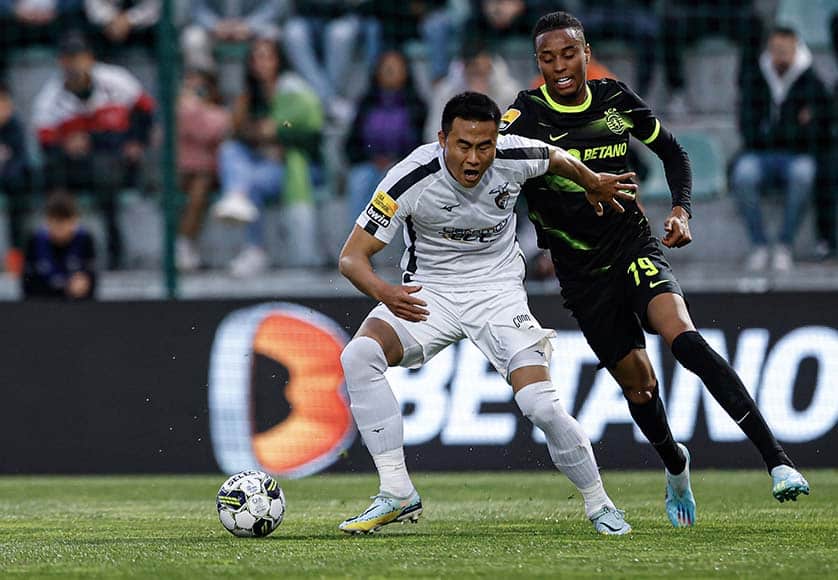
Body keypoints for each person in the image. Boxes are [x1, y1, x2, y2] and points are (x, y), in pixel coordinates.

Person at [500, 11, 810, 528]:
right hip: (581, 273)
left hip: (632, 244)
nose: (560, 66)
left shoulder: (615, 100)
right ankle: (675, 463)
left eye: (569, 54)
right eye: (548, 58)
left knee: (683, 339)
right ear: (538, 63)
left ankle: (777, 461)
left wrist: (682, 209)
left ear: (586, 52)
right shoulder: (525, 116)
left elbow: (672, 152)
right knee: (640, 387)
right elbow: (490, 167)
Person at [337, 91, 638, 535]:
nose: (474, 158)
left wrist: (591, 181)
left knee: (541, 405)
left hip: (498, 295)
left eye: (485, 146)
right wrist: (387, 292)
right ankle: (397, 491)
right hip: (431, 293)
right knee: (359, 356)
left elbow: (555, 157)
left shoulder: (514, 155)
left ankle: (600, 504)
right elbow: (351, 258)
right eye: (463, 145)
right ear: (443, 139)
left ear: (497, 140)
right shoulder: (410, 176)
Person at [32, 31, 155, 270]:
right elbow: (46, 145)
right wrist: (65, 145)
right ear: (61, 62)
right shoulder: (49, 99)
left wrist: (138, 141)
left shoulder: (116, 80)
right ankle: (57, 253)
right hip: (77, 166)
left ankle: (115, 249)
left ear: (90, 58)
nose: (75, 64)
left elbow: (146, 112)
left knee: (104, 171)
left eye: (79, 57)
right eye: (69, 58)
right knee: (52, 177)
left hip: (118, 160)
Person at [211, 37, 324, 276]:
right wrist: (254, 127)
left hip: (298, 165)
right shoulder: (251, 94)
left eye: (266, 57)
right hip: (263, 161)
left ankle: (255, 248)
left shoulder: (292, 88)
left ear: (278, 60)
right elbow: (240, 134)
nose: (260, 63)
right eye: (255, 58)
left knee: (251, 181)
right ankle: (236, 196)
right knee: (229, 151)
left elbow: (309, 131)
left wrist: (279, 135)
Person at [731, 26, 831, 272]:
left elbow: (819, 127)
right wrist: (793, 127)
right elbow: (747, 125)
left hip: (796, 156)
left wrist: (773, 132)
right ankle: (759, 245)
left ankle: (784, 244)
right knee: (743, 174)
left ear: (796, 49)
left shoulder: (810, 80)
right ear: (769, 49)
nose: (781, 56)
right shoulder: (757, 77)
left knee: (804, 174)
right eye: (776, 50)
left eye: (786, 50)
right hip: (759, 154)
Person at [345, 50, 426, 227]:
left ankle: (390, 235)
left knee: (393, 179)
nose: (390, 71)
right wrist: (372, 159)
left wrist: (397, 161)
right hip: (369, 163)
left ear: (406, 72)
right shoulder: (365, 103)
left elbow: (421, 144)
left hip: (402, 164)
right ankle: (358, 237)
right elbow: (351, 144)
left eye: (395, 67)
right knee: (359, 180)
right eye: (386, 67)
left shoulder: (417, 106)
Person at [176, 67, 230, 271]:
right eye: (188, 88)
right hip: (181, 171)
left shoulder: (220, 113)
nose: (193, 93)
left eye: (199, 89)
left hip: (208, 172)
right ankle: (178, 243)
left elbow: (208, 133)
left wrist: (193, 110)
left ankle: (183, 242)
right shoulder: (177, 109)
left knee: (200, 186)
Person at [22, 191, 96, 300]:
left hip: (76, 306)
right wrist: (62, 288)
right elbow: (26, 284)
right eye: (56, 222)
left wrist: (85, 283)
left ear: (75, 220)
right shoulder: (35, 240)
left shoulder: (85, 240)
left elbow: (93, 280)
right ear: (47, 221)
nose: (60, 228)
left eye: (65, 222)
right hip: (43, 305)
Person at [180, 0, 287, 72]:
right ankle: (206, 87)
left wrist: (248, 26)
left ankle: (262, 92)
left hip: (252, 27)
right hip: (215, 29)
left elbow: (275, 6)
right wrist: (215, 25)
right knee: (193, 39)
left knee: (271, 34)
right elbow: (197, 7)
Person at [0, 82, 32, 274]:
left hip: (10, 183)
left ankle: (16, 255)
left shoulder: (15, 126)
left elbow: (21, 160)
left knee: (18, 187)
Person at [83, 0, 159, 54]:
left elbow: (155, 8)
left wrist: (129, 19)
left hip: (142, 38)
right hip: (105, 34)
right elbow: (93, 6)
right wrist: (110, 18)